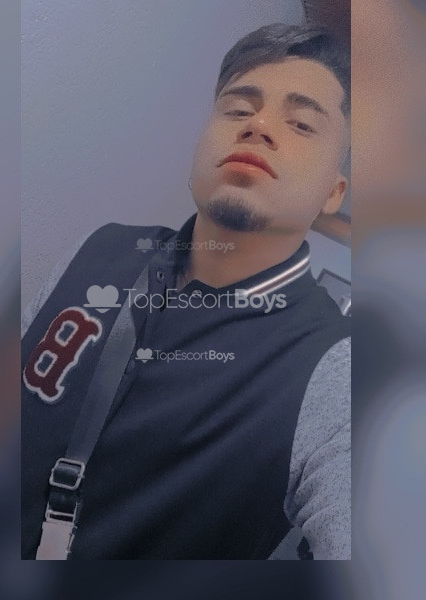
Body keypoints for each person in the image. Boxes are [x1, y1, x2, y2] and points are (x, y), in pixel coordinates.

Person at [21, 23, 351, 560]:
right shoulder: (98, 249)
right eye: (238, 110)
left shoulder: (336, 370)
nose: (259, 126)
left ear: (333, 194)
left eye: (300, 123)